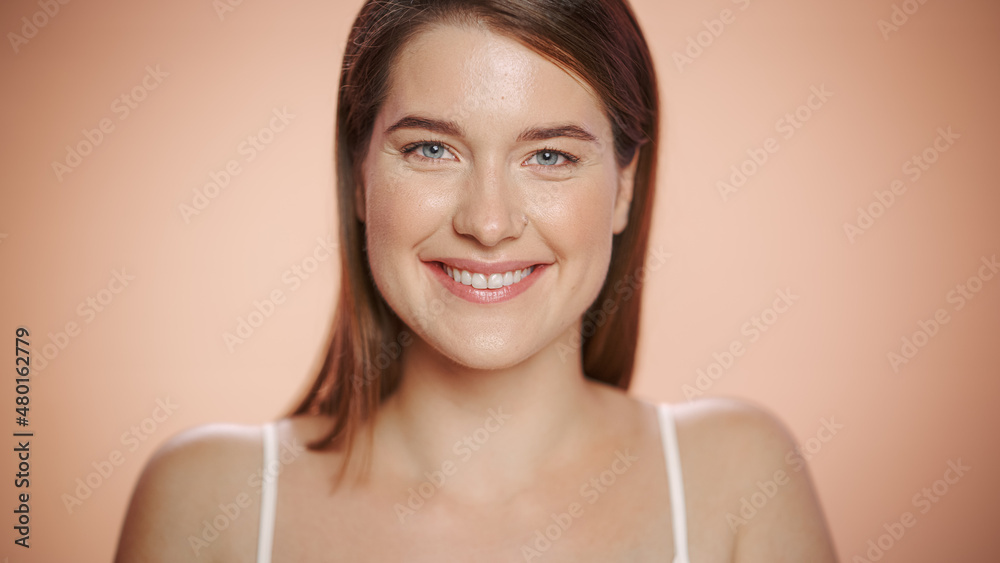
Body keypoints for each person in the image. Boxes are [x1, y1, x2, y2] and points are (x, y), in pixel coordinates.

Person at [115, 0, 838, 561]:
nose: (488, 223)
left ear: (623, 188)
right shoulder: (208, 499)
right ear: (360, 176)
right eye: (432, 148)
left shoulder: (738, 478)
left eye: (550, 156)